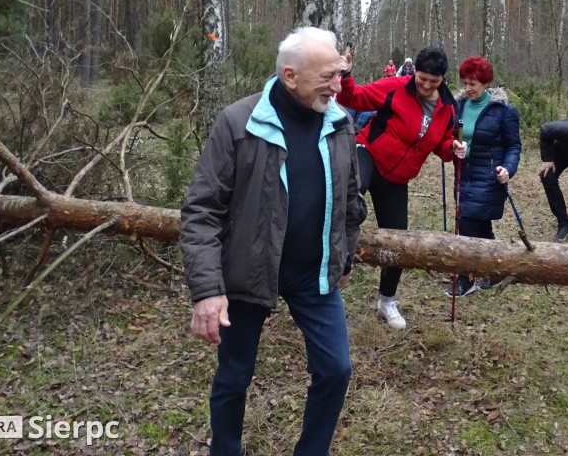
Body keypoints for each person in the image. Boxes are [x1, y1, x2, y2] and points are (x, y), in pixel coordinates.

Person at [179, 27, 366, 456]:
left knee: (336, 369)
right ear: (289, 76)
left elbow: (351, 200)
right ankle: (225, 450)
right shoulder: (238, 122)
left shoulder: (340, 122)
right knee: (234, 375)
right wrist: (208, 291)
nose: (338, 86)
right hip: (248, 273)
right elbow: (201, 211)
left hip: (313, 276)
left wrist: (343, 257)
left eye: (339, 74)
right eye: (327, 77)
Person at [336, 44, 465, 329]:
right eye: (422, 79)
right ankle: (334, 274)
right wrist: (346, 76)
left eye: (433, 81)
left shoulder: (448, 108)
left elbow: (441, 147)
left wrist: (453, 147)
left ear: (442, 79)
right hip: (368, 152)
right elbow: (353, 97)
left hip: (397, 177)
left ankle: (386, 300)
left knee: (398, 241)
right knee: (350, 200)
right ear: (414, 72)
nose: (426, 86)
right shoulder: (395, 86)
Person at [447, 56, 522, 296]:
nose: (467, 88)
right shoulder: (457, 106)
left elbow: (513, 146)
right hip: (463, 173)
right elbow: (447, 135)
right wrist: (452, 145)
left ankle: (465, 278)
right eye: (465, 83)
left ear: (486, 84)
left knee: (467, 222)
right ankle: (493, 270)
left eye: (473, 84)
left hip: (489, 177)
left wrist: (508, 169)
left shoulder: (504, 111)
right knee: (479, 223)